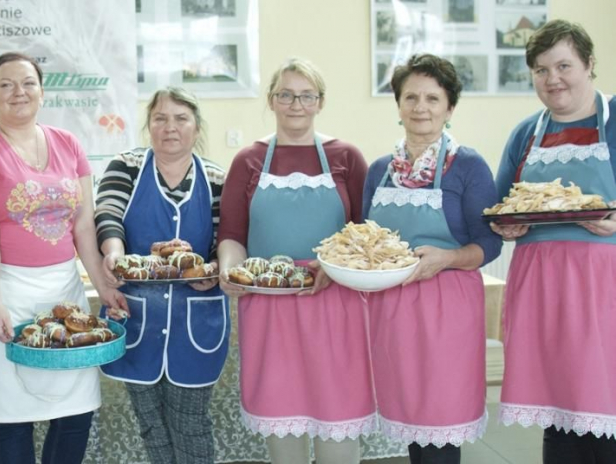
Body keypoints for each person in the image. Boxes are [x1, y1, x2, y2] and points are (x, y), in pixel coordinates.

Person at [0, 52, 123, 464]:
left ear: (42, 91)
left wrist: (103, 289)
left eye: (28, 82)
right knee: (11, 416)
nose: (18, 92)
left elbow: (84, 224)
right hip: (2, 288)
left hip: (63, 293)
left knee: (75, 411)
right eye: (6, 84)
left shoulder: (69, 143)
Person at [218, 58, 375, 464]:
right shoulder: (248, 160)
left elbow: (367, 238)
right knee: (281, 421)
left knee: (338, 422)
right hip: (269, 306)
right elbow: (233, 236)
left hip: (336, 304)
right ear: (272, 100)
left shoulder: (347, 156)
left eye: (306, 95)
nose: (295, 104)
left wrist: (334, 265)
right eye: (286, 94)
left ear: (320, 102)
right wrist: (228, 269)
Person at [362, 54, 501, 464]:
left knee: (441, 425)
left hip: (447, 308)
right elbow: (365, 238)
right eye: (411, 97)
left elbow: (490, 243)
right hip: (391, 308)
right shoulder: (380, 171)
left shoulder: (469, 167)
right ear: (398, 106)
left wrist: (448, 257)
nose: (420, 107)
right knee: (407, 419)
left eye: (432, 98)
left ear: (450, 107)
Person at [492, 20, 616, 463]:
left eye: (564, 65)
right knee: (555, 405)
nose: (553, 79)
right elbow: (502, 204)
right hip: (540, 286)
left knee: (603, 403)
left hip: (602, 286)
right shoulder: (527, 133)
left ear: (589, 65)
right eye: (541, 70)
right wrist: (504, 225)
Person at [95, 87, 230, 464]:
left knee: (190, 422)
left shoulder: (217, 178)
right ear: (149, 125)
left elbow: (228, 237)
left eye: (181, 118)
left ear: (196, 126)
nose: (170, 127)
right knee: (150, 423)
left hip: (197, 319)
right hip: (137, 316)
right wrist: (114, 253)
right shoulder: (127, 167)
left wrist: (216, 266)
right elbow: (107, 212)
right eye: (160, 118)